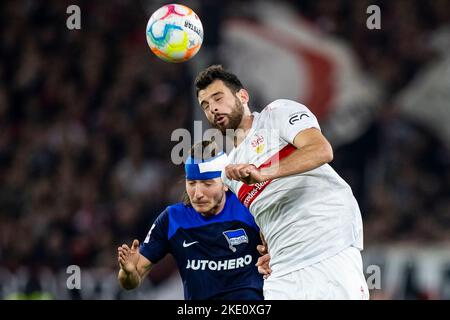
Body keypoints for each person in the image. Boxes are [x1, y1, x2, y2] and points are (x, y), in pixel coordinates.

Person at [194, 65, 369, 300]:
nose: (213, 108)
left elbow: (321, 150)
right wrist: (268, 246)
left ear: (243, 96)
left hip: (327, 242)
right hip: (283, 268)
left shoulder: (276, 113)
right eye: (205, 105)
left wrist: (264, 172)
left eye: (218, 97)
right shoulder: (231, 172)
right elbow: (264, 209)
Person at [117, 140, 265, 300]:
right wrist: (128, 272)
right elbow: (131, 282)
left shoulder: (250, 209)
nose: (197, 193)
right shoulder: (173, 219)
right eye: (192, 183)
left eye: (207, 184)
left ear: (225, 183)